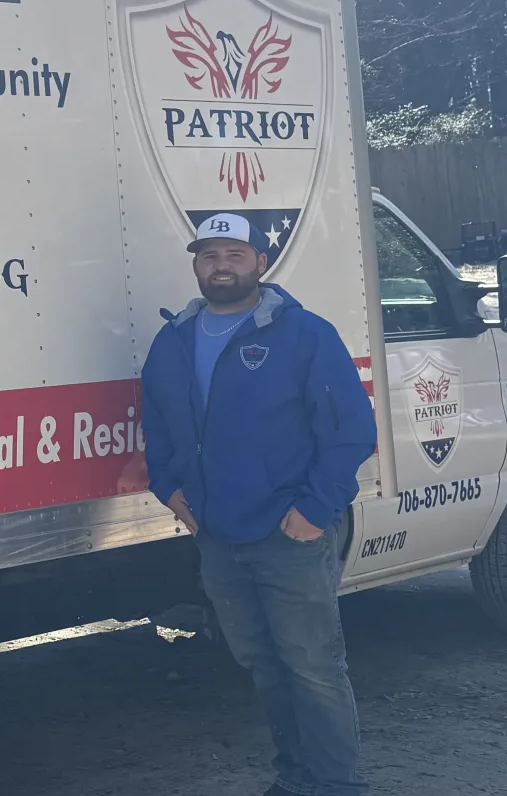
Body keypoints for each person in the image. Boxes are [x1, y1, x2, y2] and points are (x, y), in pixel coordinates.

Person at [141, 213, 378, 796]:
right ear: (197, 266)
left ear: (261, 263)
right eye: (209, 255)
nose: (221, 266)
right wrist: (169, 489)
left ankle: (337, 786)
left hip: (287, 534)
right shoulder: (173, 341)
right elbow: (159, 426)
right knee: (262, 664)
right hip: (218, 537)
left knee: (313, 667)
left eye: (235, 255)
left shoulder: (304, 335)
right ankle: (295, 778)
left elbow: (351, 431)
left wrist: (315, 510)